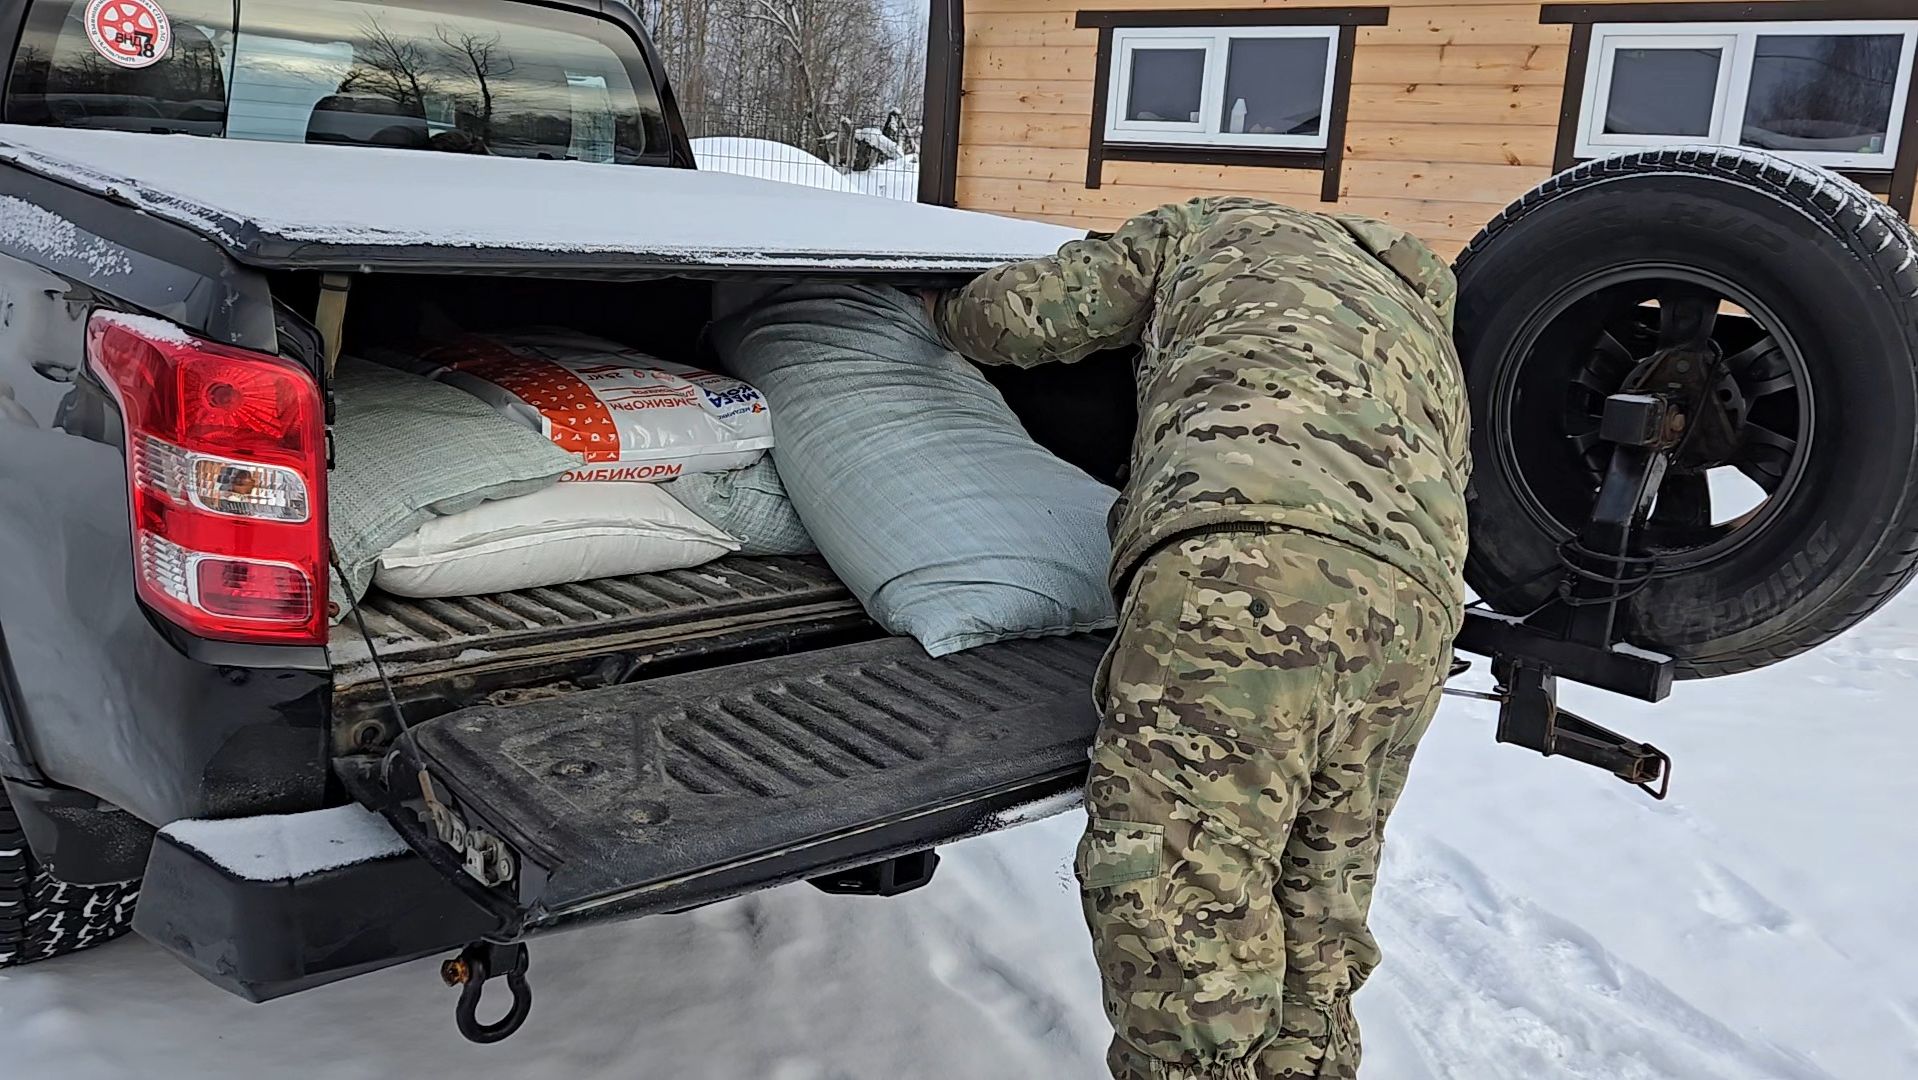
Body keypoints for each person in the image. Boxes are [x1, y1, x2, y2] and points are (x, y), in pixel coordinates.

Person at [928, 197, 1470, 1080]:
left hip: (1246, 566)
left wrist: (936, 314)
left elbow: (1030, 313)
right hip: (1415, 602)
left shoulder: (1203, 228)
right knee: (1321, 888)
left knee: (1178, 900)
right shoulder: (1411, 300)